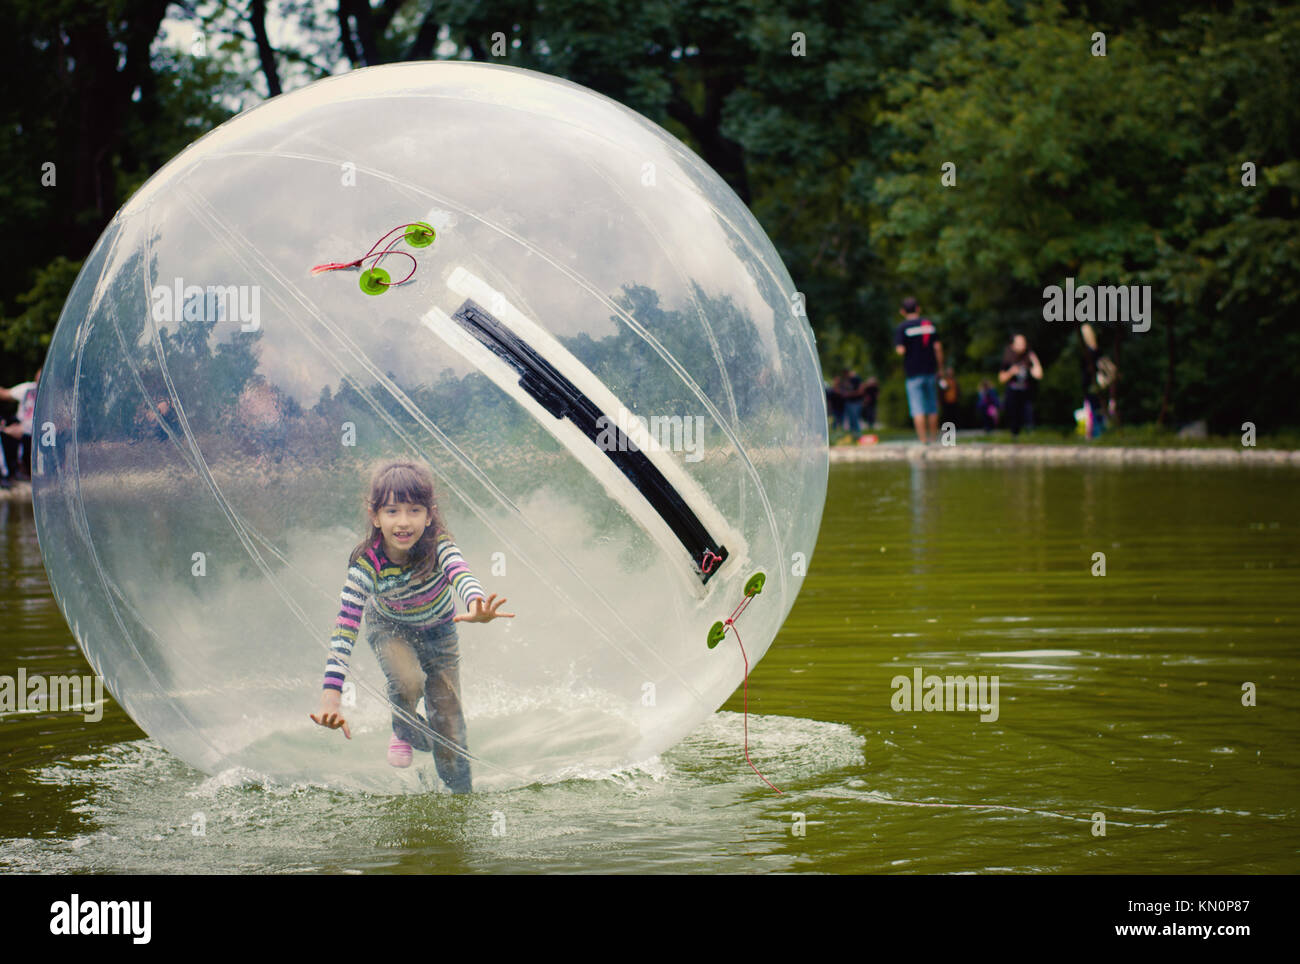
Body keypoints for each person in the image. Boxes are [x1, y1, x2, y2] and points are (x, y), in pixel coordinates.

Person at [310, 459, 514, 793]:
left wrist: (475, 604)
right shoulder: (367, 563)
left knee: (450, 728)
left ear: (429, 514)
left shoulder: (439, 546)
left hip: (440, 634)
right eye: (392, 511)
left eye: (414, 510)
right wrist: (331, 699)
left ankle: (460, 800)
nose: (403, 522)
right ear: (375, 515)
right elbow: (345, 628)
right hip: (391, 628)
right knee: (408, 680)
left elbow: (460, 572)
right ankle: (404, 727)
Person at [893, 297, 944, 443]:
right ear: (918, 308)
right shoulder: (929, 325)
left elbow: (900, 350)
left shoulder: (902, 328)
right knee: (932, 407)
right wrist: (940, 368)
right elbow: (938, 348)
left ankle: (923, 441)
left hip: (913, 372)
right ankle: (933, 439)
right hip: (930, 370)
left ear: (902, 311)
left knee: (917, 408)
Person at [998, 334, 1042, 436]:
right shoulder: (1008, 359)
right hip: (1013, 391)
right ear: (1013, 345)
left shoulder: (1028, 357)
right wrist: (1011, 372)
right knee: (1014, 416)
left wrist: (1035, 360)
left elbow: (1039, 375)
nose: (1022, 345)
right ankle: (1015, 434)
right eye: (1019, 343)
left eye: (1023, 342)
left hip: (1026, 391)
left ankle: (1030, 433)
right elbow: (1001, 378)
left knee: (1029, 414)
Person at [1, 367, 39, 482]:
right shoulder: (28, 388)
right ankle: (9, 474)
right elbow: (5, 394)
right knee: (6, 430)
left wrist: (24, 429)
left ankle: (24, 471)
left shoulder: (56, 392)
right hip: (19, 427)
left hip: (38, 433)